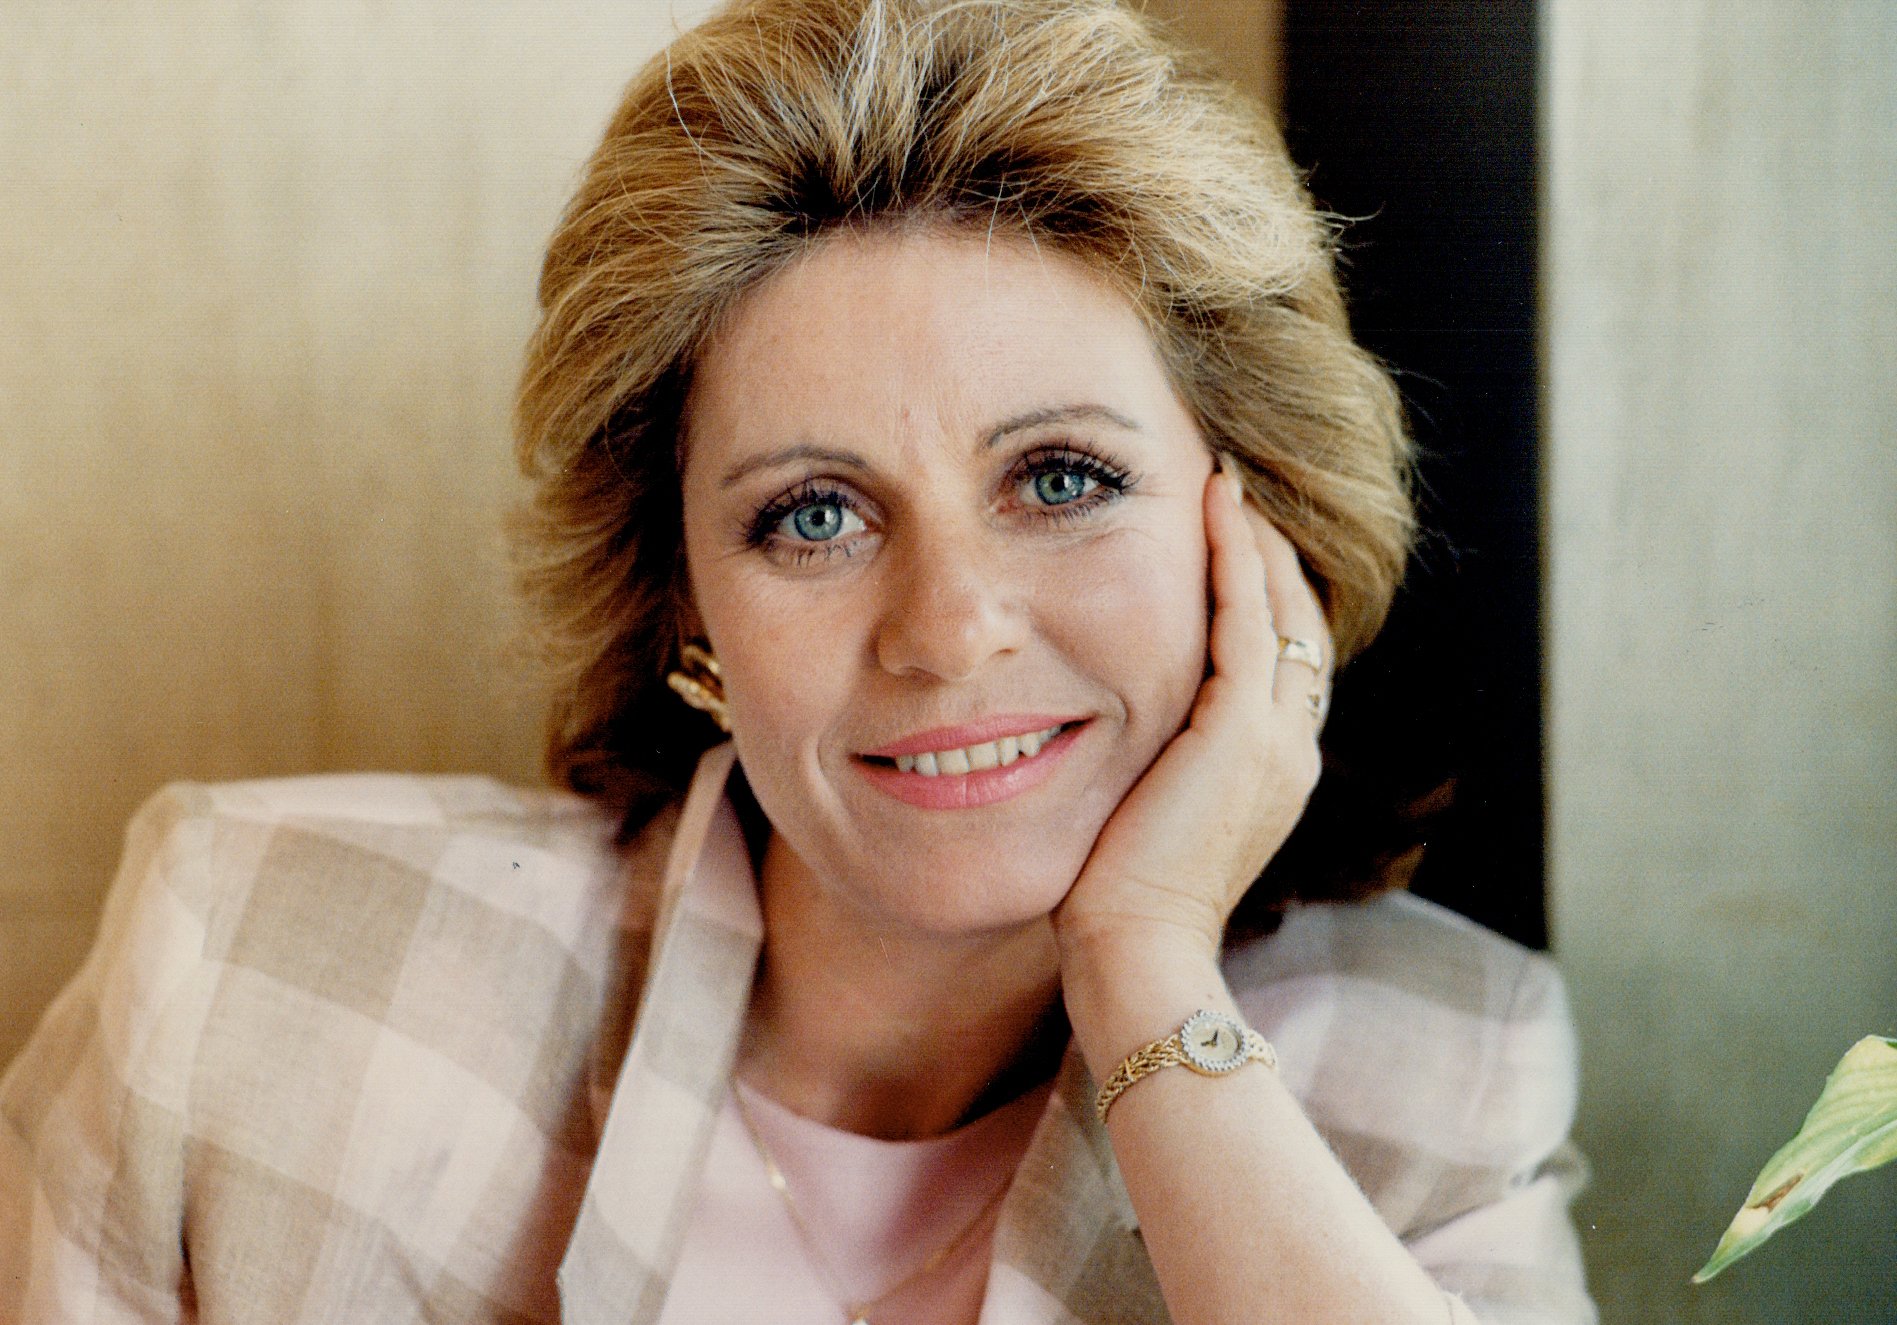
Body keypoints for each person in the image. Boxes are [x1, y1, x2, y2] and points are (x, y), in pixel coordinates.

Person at [0, 0, 1594, 1320]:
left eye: (1059, 478)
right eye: (813, 512)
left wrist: (1147, 967)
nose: (948, 625)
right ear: (681, 597)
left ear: (1252, 532)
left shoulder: (1441, 1075)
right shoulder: (253, 957)